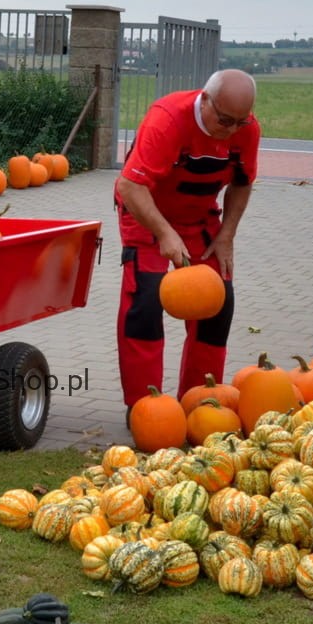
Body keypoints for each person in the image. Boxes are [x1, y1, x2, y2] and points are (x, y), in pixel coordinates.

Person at [114, 68, 260, 415]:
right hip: (145, 211)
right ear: (205, 99)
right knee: (146, 300)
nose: (231, 130)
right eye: (225, 120)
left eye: (239, 123)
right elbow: (130, 186)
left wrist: (227, 235)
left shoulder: (245, 128)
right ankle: (144, 407)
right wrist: (164, 233)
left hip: (199, 218)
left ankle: (199, 401)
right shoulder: (167, 120)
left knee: (217, 302)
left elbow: (243, 181)